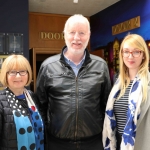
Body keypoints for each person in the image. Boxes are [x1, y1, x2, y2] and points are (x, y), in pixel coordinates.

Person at [36, 14, 111, 150]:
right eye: (72, 32)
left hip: (93, 143)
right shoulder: (48, 66)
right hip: (57, 143)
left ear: (88, 35)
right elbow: (41, 105)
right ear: (64, 34)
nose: (77, 38)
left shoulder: (101, 66)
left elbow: (106, 104)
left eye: (82, 33)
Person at [103, 34, 150, 150]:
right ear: (122, 54)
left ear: (143, 55)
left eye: (136, 52)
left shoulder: (148, 82)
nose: (130, 56)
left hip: (140, 144)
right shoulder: (118, 83)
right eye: (126, 51)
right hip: (117, 144)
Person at [0, 54, 44, 150]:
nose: (18, 76)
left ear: (28, 74)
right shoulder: (1, 100)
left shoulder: (32, 97)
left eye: (23, 71)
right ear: (5, 75)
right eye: (12, 72)